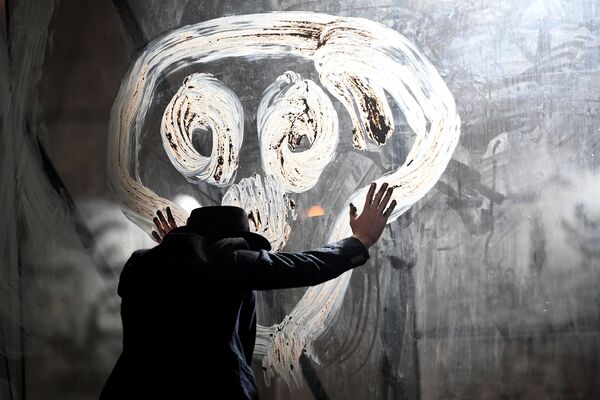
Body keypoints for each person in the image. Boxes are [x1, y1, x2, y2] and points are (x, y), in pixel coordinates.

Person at [99, 182, 396, 399]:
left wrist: (176, 250)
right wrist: (360, 241)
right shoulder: (228, 259)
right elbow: (305, 266)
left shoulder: (144, 263)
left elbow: (172, 309)